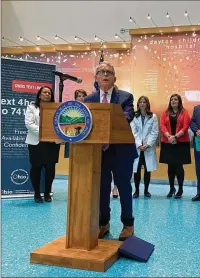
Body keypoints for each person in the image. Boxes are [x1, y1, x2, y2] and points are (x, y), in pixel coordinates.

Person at [84, 61, 138, 240]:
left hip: (122, 151)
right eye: (101, 71)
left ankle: (128, 224)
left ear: (115, 78)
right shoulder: (88, 100)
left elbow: (127, 116)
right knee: (102, 188)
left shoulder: (125, 97)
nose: (105, 74)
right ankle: (103, 223)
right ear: (96, 77)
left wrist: (104, 123)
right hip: (99, 151)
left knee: (123, 187)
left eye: (109, 72)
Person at [25, 86, 60, 203]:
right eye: (44, 92)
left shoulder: (56, 109)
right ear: (39, 95)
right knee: (36, 168)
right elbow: (29, 124)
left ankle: (47, 193)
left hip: (52, 143)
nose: (47, 94)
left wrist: (51, 134)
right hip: (36, 143)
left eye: (49, 93)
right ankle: (36, 194)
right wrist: (45, 132)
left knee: (50, 169)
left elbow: (60, 124)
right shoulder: (32, 107)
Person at [159, 94, 191, 198]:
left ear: (179, 101)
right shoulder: (165, 112)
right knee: (170, 166)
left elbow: (186, 126)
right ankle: (171, 188)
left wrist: (175, 137)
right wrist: (169, 136)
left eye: (175, 99)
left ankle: (180, 189)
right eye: (172, 99)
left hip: (181, 143)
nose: (173, 101)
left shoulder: (184, 112)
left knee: (179, 167)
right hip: (168, 142)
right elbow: (162, 126)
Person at [130, 96, 159, 198]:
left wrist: (148, 144)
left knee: (147, 170)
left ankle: (146, 190)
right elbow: (133, 132)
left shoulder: (153, 116)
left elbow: (155, 132)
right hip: (138, 147)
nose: (142, 104)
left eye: (144, 102)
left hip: (148, 147)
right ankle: (136, 191)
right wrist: (139, 144)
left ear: (147, 104)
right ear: (138, 104)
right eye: (140, 102)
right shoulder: (134, 116)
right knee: (136, 170)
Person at [64, 89, 88, 159]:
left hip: (85, 137)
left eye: (83, 96)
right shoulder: (70, 109)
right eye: (79, 96)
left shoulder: (90, 109)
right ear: (75, 98)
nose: (81, 98)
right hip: (72, 136)